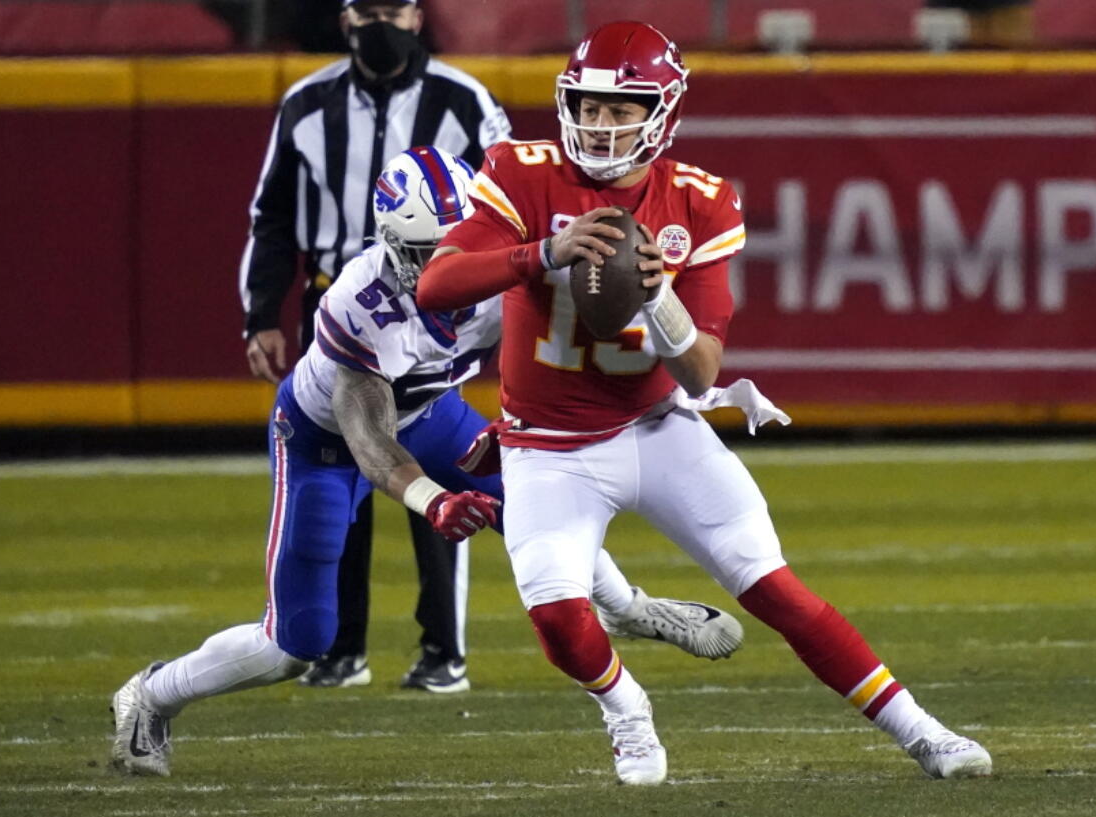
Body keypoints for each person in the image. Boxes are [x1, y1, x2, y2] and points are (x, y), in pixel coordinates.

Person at [416, 21, 994, 786]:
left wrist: (658, 297)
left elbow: (699, 372)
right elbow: (437, 284)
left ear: (663, 114)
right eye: (588, 106)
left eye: (621, 110)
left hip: (657, 429)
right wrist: (542, 253)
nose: (599, 124)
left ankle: (922, 730)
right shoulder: (523, 174)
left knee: (773, 587)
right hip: (547, 445)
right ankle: (627, 709)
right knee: (558, 617)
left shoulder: (700, 202)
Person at [111, 147, 746, 778]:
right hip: (325, 443)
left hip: (434, 411)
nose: (443, 264)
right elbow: (369, 442)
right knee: (297, 644)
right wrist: (433, 499)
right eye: (424, 251)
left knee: (533, 501)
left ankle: (625, 608)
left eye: (459, 243)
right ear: (389, 241)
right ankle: (151, 695)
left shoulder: (507, 259)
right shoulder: (360, 304)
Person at [239, 0, 513, 691]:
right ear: (344, 17)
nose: (381, 23)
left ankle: (442, 647)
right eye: (368, 8)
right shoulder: (306, 103)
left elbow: (511, 201)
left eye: (394, 8)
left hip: (439, 301)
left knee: (436, 466)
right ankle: (341, 645)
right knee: (345, 464)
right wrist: (261, 312)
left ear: (420, 17)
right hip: (343, 298)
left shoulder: (464, 100)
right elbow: (271, 214)